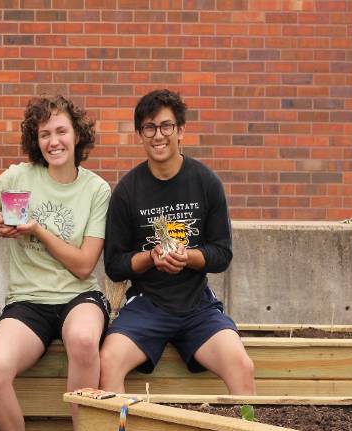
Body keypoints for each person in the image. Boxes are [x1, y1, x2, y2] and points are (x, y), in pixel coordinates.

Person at [0, 95, 111, 431]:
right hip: (28, 301)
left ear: (77, 134)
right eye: (44, 133)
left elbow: (84, 265)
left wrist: (37, 231)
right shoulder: (20, 175)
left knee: (84, 340)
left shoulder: (96, 189)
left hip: (78, 296)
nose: (53, 141)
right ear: (36, 139)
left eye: (61, 130)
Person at [99, 89, 255, 395]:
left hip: (197, 306)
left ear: (181, 130)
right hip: (147, 305)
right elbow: (115, 265)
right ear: (140, 135)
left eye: (166, 126)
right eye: (149, 128)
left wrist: (190, 257)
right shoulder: (127, 191)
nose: (158, 135)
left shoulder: (206, 182)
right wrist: (150, 257)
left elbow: (222, 253)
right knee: (108, 360)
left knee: (242, 365)